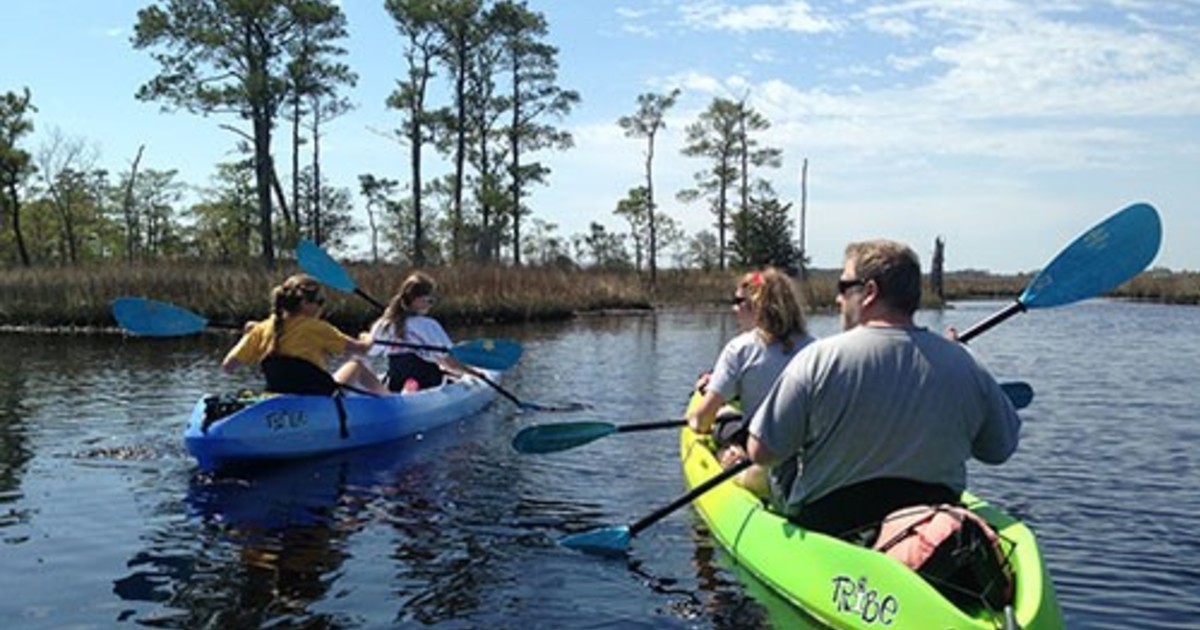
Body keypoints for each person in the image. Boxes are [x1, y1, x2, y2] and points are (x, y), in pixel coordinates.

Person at [746, 239, 1021, 540]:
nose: (838, 299)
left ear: (870, 292)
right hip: (930, 534)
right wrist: (954, 360)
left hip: (832, 529)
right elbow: (998, 450)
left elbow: (762, 452)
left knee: (764, 468)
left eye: (843, 286)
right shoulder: (965, 364)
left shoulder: (817, 359)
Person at [687, 267, 814, 497]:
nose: (735, 309)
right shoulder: (817, 348)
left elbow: (701, 423)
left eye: (739, 301)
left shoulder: (740, 348)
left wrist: (696, 415)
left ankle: (734, 461)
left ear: (756, 305)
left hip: (763, 455)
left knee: (723, 425)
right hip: (808, 458)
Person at [222, 273, 387, 395]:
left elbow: (228, 366)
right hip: (317, 396)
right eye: (319, 302)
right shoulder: (317, 327)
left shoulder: (262, 328)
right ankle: (392, 401)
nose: (322, 308)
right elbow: (363, 349)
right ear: (304, 303)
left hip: (279, 394)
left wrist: (248, 336)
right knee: (356, 365)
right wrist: (368, 336)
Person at [368, 271, 477, 392]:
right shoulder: (429, 325)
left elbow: (370, 352)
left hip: (396, 383)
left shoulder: (384, 324)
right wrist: (473, 373)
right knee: (443, 373)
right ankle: (412, 387)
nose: (431, 305)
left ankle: (408, 389)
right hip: (429, 382)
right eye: (430, 300)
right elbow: (448, 362)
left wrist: (365, 338)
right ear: (417, 300)